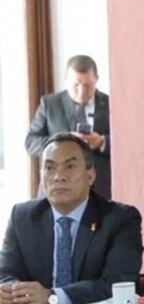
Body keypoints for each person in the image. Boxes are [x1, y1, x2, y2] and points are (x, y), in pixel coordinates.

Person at [0, 134, 142, 304]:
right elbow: (5, 273)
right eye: (49, 168)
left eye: (70, 166)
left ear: (90, 176)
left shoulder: (120, 219)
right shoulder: (22, 217)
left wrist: (53, 297)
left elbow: (117, 283)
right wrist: (10, 291)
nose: (58, 176)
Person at [25, 55, 113, 199]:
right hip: (57, 186)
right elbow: (31, 142)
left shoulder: (110, 103)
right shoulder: (50, 104)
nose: (82, 92)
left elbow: (126, 142)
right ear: (66, 80)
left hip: (100, 189)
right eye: (76, 85)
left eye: (87, 85)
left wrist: (102, 142)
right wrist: (62, 141)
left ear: (96, 80)